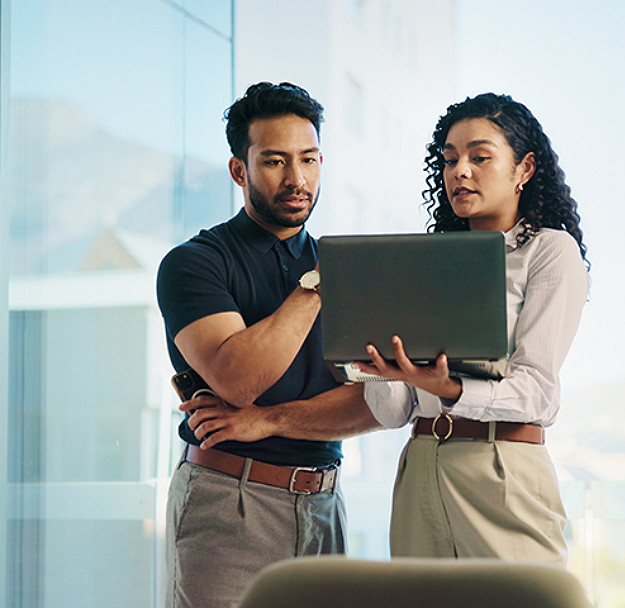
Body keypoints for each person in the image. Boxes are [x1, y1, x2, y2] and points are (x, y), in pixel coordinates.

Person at [156, 81, 379, 608]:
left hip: (325, 502)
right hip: (230, 502)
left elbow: (378, 403)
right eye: (276, 161)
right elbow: (238, 379)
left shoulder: (345, 266)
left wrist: (270, 420)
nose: (297, 179)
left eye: (309, 159)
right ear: (240, 170)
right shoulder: (195, 263)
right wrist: (320, 284)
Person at [354, 92, 589, 564]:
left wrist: (453, 389)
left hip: (501, 468)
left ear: (524, 169)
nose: (460, 171)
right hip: (420, 464)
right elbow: (394, 412)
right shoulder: (425, 261)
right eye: (450, 159)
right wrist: (379, 367)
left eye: (480, 157)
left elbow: (539, 392)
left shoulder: (549, 251)